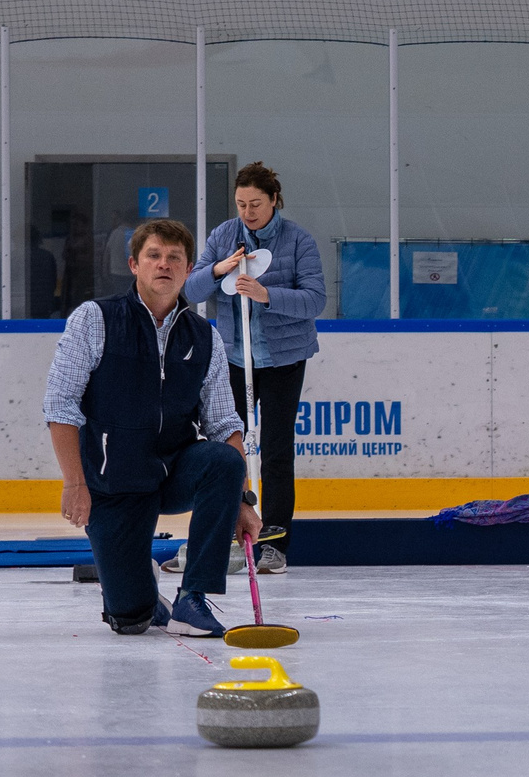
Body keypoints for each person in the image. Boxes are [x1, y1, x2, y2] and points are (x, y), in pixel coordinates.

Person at [43, 218, 260, 637]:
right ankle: (139, 583)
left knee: (222, 461)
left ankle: (193, 597)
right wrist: (75, 483)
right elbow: (60, 404)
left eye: (174, 257)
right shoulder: (95, 319)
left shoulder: (204, 336)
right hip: (114, 482)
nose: (164, 264)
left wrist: (242, 501)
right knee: (130, 620)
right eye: (154, 256)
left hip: (174, 469)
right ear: (134, 265)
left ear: (189, 268)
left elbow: (224, 424)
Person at [184, 163, 325, 574]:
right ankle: (227, 533)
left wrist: (267, 295)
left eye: (256, 204)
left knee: (277, 452)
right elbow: (190, 290)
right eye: (242, 204)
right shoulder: (223, 236)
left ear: (274, 200)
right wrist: (217, 270)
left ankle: (275, 543)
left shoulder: (298, 240)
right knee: (228, 451)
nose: (248, 212)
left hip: (283, 360)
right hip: (231, 358)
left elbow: (315, 300)